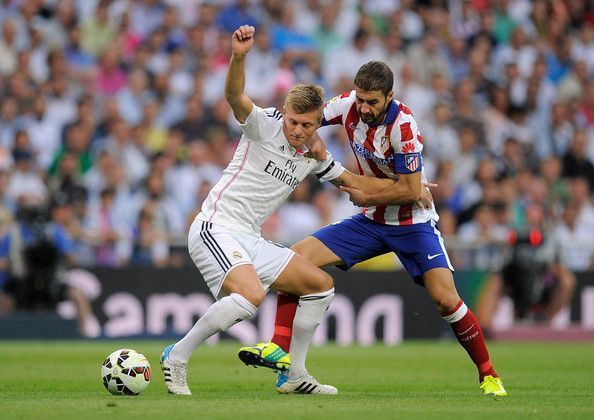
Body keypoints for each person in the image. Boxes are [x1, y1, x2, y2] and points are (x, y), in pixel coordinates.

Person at [160, 26, 418, 396]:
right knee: (250, 295)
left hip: (250, 238)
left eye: (307, 125)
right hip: (215, 227)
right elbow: (233, 95)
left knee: (320, 286)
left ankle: (294, 375)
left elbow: (354, 183)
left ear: (318, 124)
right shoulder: (263, 125)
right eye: (293, 122)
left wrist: (413, 186)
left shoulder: (314, 155)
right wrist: (238, 56)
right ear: (284, 113)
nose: (297, 131)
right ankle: (178, 356)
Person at [238, 61, 507, 398]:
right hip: (370, 221)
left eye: (372, 102)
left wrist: (365, 189)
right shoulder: (348, 105)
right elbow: (303, 116)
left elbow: (411, 192)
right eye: (361, 99)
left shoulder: (403, 126)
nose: (363, 108)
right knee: (295, 258)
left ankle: (489, 374)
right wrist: (316, 139)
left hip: (412, 223)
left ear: (389, 96)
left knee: (445, 300)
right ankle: (279, 347)